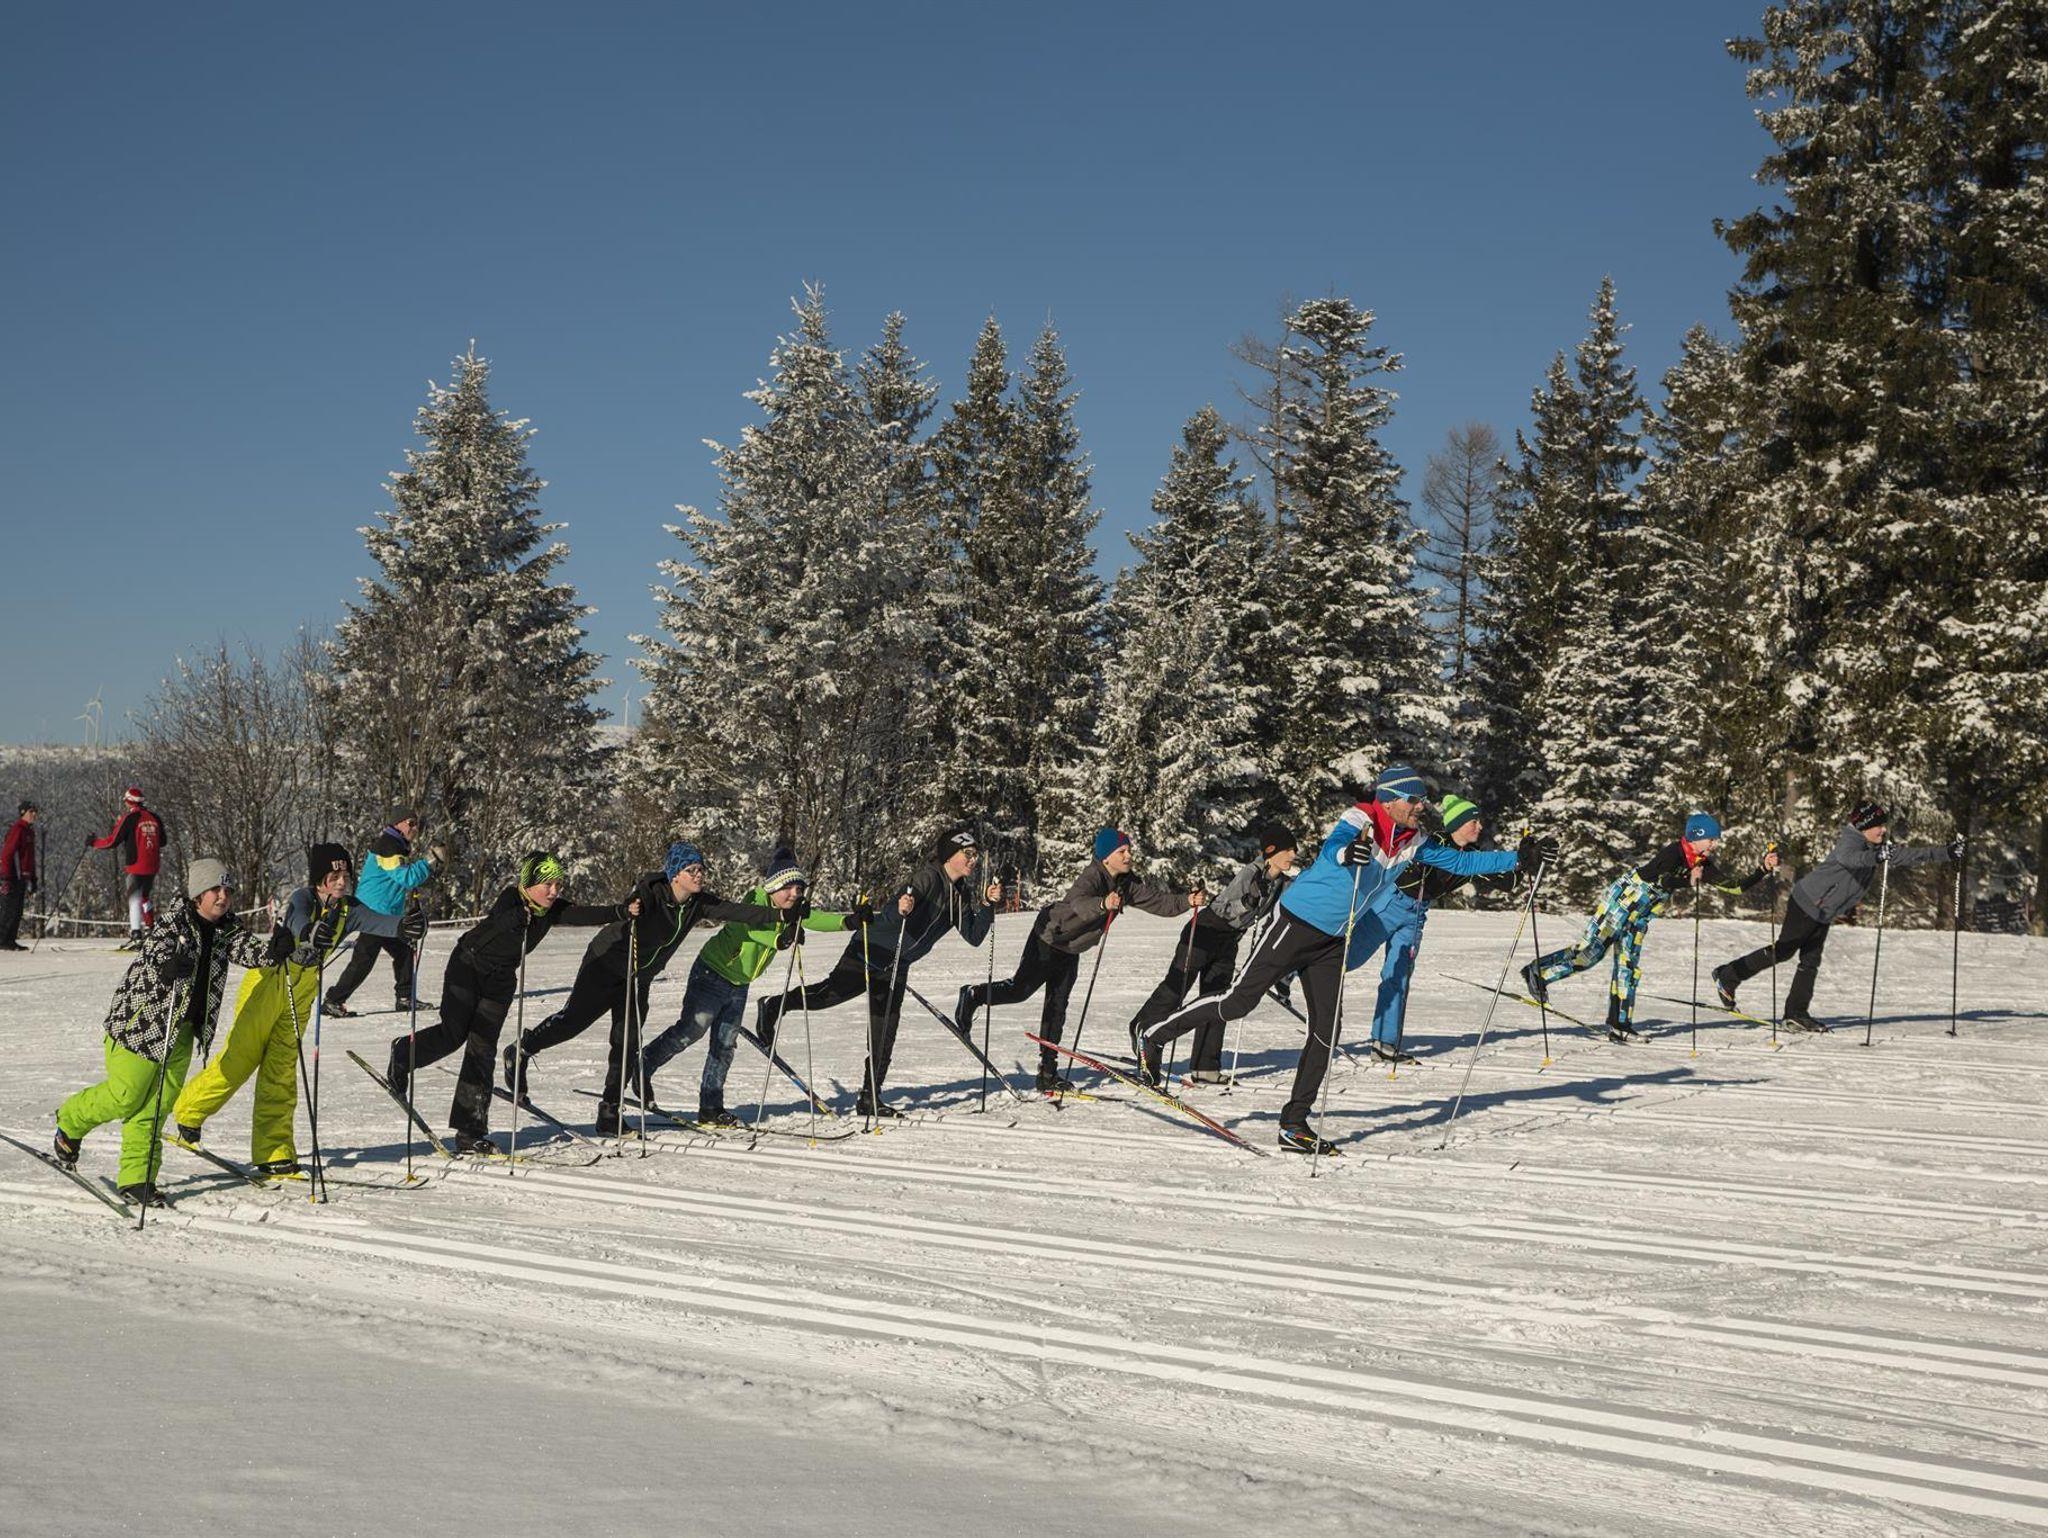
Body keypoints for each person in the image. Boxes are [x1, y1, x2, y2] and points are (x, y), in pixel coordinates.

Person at [1142, 766, 1540, 1154]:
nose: (1421, 806)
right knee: (1237, 1002)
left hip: (1333, 940)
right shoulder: (1361, 818)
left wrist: (1518, 859)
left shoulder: (1415, 841)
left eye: (1422, 800)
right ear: (1390, 800)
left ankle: (1294, 1124)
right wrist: (1349, 852)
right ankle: (1153, 1037)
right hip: (1296, 923)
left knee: (1326, 1031)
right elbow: (1335, 846)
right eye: (1414, 799)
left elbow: (1463, 863)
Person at [505, 841, 781, 1135]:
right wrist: (633, 905)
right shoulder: (652, 894)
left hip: (639, 978)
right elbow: (638, 894)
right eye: (691, 870)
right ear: (675, 875)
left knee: (627, 1043)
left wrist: (781, 915)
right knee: (572, 1022)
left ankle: (609, 1112)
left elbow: (739, 912)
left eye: (701, 869)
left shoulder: (698, 903)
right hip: (607, 964)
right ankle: (522, 1049)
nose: (699, 874)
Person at [51, 858, 275, 1205]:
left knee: (157, 1107)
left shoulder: (227, 929)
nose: (223, 896)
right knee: (126, 1096)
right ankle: (70, 1121)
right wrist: (167, 965)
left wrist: (279, 949)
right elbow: (156, 950)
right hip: (142, 1025)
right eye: (216, 889)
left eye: (228, 890)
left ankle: (137, 1179)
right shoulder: (175, 922)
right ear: (198, 893)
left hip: (182, 1030)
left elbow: (250, 951)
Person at [384, 851, 634, 1154]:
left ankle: (469, 1131)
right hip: (468, 966)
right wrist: (515, 918)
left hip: (500, 980)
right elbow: (497, 922)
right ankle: (403, 1053)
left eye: (558, 885)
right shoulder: (510, 898)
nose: (554, 891)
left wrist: (621, 911)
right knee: (453, 1034)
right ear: (528, 883)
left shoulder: (551, 910)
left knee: (482, 1049)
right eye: (547, 884)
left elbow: (584, 914)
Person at [170, 844, 391, 1175]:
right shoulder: (303, 898)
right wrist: (310, 932)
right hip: (269, 982)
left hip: (302, 993)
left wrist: (407, 925)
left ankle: (274, 1151)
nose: (342, 882)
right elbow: (297, 919)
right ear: (319, 879)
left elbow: (382, 923)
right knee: (239, 1060)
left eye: (346, 875)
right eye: (334, 876)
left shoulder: (349, 910)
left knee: (282, 1071)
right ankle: (189, 1112)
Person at [758, 827, 999, 1117]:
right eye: (967, 853)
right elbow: (890, 915)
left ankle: (870, 1097)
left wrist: (987, 904)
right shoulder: (927, 878)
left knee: (885, 1032)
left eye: (975, 855)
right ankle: (774, 1005)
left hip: (897, 965)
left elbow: (974, 936)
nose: (973, 860)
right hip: (871, 950)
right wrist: (902, 908)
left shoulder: (961, 893)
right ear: (950, 855)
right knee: (827, 996)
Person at [958, 826, 1204, 1096]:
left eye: (1129, 850)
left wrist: (1187, 900)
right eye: (1122, 851)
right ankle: (974, 995)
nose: (1128, 855)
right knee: (1019, 990)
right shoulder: (1092, 876)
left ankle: (1047, 1073)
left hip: (1071, 949)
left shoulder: (1125, 884)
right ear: (1106, 857)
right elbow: (1078, 903)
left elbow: (1158, 902)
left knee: (1057, 1007)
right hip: (1048, 937)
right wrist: (1103, 904)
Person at [640, 848, 867, 1127]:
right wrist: (779, 940)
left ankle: (710, 1107)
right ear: (773, 887)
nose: (794, 894)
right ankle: (644, 1064)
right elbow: (745, 928)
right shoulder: (754, 900)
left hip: (740, 983)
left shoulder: (792, 908)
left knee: (725, 1045)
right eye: (788, 888)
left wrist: (849, 922)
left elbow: (816, 918)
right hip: (712, 972)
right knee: (692, 1029)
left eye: (799, 889)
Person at [1523, 812, 1777, 1042]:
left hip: (1640, 915)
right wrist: (1689, 880)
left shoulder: (1701, 864)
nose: (1714, 844)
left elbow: (1735, 887)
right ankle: (1538, 972)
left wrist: (1762, 869)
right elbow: (1663, 879)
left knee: (1628, 967)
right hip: (1622, 900)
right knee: (1590, 953)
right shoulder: (1673, 852)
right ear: (1696, 836)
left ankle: (1620, 1024)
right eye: (1711, 839)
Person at [1712, 803, 1961, 1032]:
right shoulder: (1850, 841)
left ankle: (1795, 1014)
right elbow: (1851, 859)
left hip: (1823, 910)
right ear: (1864, 825)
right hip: (1808, 902)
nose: (1883, 830)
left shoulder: (1876, 847)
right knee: (1784, 951)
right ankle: (1728, 976)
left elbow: (1908, 855)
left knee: (1810, 961)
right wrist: (1877, 857)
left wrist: (1947, 853)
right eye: (1878, 825)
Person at [1123, 821, 1297, 1085]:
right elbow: (1222, 907)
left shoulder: (1282, 883)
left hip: (1229, 940)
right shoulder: (1250, 873)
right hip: (1205, 930)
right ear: (1271, 852)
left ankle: (1205, 1066)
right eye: (1288, 850)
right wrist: (1247, 902)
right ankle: (1142, 1028)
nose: (1293, 855)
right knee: (1177, 989)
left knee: (1216, 1000)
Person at [1366, 794, 1520, 1064]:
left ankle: (1384, 1044)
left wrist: (1528, 860)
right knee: (1347, 956)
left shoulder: (1470, 857)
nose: (1479, 826)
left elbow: (1507, 882)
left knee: (1398, 975)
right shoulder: (1434, 842)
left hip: (1416, 914)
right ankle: (1291, 970)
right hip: (1390, 901)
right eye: (1473, 821)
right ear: (1458, 824)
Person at [323, 812, 443, 1018]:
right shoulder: (388, 846)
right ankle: (333, 1000)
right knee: (364, 960)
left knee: (404, 952)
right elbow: (406, 877)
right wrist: (429, 862)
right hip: (374, 913)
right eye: (411, 823)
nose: (415, 828)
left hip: (386, 914)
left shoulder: (397, 845)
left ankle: (405, 998)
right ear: (398, 823)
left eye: (417, 824)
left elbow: (401, 878)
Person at [89, 786, 166, 948]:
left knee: (134, 898)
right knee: (145, 897)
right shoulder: (155, 817)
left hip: (136, 865)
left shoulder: (130, 818)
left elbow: (112, 841)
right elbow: (163, 841)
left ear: (129, 801)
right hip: (153, 865)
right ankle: (151, 929)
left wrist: (94, 842)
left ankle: (136, 934)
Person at [0, 799, 39, 951]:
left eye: (35, 811)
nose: (34, 814)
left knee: (17, 910)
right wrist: (6, 877)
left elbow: (30, 858)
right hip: (12, 876)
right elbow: (8, 853)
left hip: (22, 877)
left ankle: (10, 940)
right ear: (23, 813)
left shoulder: (29, 831)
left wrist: (33, 879)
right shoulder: (18, 829)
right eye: (31, 811)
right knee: (9, 909)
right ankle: (3, 940)